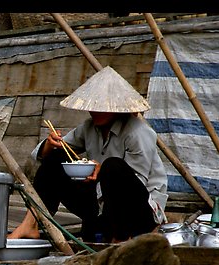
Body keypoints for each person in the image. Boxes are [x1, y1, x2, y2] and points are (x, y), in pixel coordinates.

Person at [9, 66, 168, 243]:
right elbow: (52, 152)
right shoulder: (88, 128)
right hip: (102, 207)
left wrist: (102, 172)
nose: (95, 111)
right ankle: (31, 224)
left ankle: (120, 239)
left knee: (112, 167)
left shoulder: (138, 132)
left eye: (102, 107)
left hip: (139, 213)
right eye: (93, 106)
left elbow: (135, 184)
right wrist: (49, 143)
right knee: (55, 158)